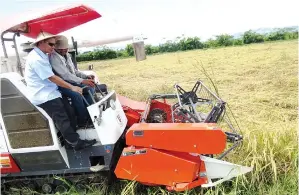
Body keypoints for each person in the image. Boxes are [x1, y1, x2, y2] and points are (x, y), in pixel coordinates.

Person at [24, 31, 97, 151]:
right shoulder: (36, 58)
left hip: (52, 92)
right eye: (51, 44)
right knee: (62, 119)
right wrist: (72, 87)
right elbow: (52, 77)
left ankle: (71, 141)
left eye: (54, 45)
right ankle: (75, 143)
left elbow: (67, 73)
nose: (53, 47)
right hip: (44, 96)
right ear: (41, 42)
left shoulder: (43, 55)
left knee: (70, 113)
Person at [49, 37, 103, 127]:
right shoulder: (53, 58)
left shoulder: (68, 56)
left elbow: (75, 71)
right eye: (60, 49)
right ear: (55, 48)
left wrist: (86, 77)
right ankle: (82, 121)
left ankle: (91, 115)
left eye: (65, 49)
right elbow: (66, 75)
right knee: (77, 95)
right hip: (61, 84)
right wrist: (82, 81)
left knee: (90, 88)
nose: (63, 51)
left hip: (72, 81)